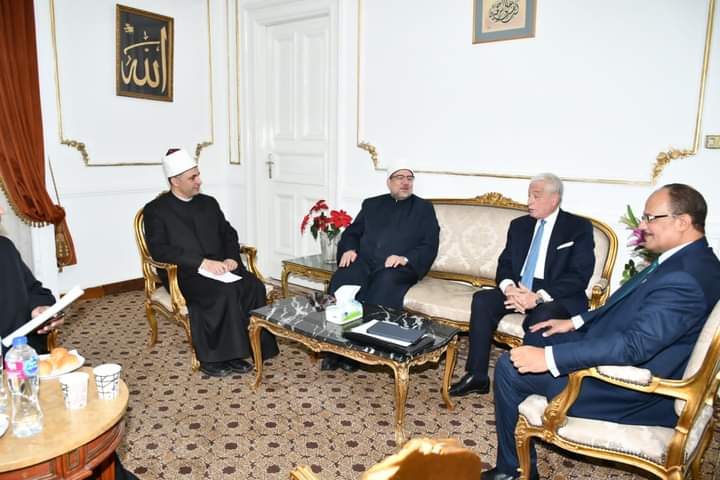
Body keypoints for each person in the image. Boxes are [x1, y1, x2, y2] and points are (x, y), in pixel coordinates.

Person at [482, 183, 720, 480]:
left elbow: (634, 346)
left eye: (650, 218)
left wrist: (549, 359)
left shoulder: (685, 278)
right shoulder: (689, 260)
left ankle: (513, 471)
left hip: (629, 389)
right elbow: (624, 306)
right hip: (617, 345)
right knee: (541, 333)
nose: (642, 226)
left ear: (682, 222)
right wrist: (574, 322)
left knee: (508, 367)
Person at [450, 173, 595, 397]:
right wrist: (509, 289)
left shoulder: (577, 227)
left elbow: (579, 275)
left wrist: (537, 297)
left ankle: (524, 381)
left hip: (556, 294)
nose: (529, 202)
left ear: (554, 199)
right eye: (529, 196)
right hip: (520, 286)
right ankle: (477, 375)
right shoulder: (519, 225)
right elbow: (505, 263)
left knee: (540, 316)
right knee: (483, 300)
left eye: (536, 196)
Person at [143, 149, 278, 378]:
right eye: (192, 178)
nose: (199, 181)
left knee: (253, 286)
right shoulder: (156, 210)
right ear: (175, 181)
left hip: (221, 266)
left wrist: (231, 257)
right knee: (221, 293)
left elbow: (228, 234)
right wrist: (202, 263)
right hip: (185, 271)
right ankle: (213, 358)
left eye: (198, 174)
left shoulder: (208, 203)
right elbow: (160, 249)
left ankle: (249, 348)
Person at [321, 165, 440, 371]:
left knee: (384, 283)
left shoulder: (423, 208)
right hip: (365, 261)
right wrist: (349, 249)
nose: (405, 182)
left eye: (409, 178)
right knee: (345, 276)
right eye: (399, 177)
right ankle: (334, 347)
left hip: (398, 267)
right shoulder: (372, 204)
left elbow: (430, 244)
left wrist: (404, 258)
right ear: (389, 182)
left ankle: (362, 350)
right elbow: (353, 233)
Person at [0, 206, 62, 354]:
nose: (1, 211)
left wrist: (40, 308)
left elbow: (34, 290)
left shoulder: (5, 248)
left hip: (23, 356)